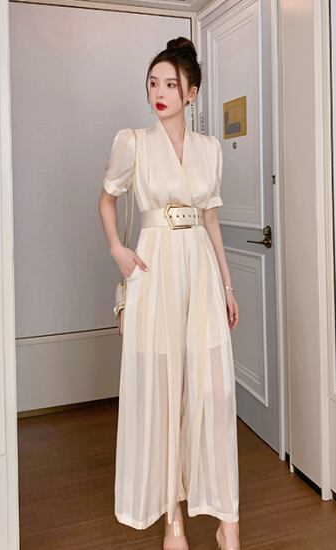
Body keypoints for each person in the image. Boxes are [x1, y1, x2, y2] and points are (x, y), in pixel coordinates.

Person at [98, 36, 240, 550]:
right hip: (154, 267)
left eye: (170, 85)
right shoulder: (133, 142)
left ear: (191, 92)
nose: (159, 93)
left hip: (200, 269)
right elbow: (107, 199)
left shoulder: (209, 150)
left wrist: (227, 284)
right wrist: (117, 249)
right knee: (162, 390)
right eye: (153, 83)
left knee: (212, 390)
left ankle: (227, 519)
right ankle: (172, 517)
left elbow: (211, 221)